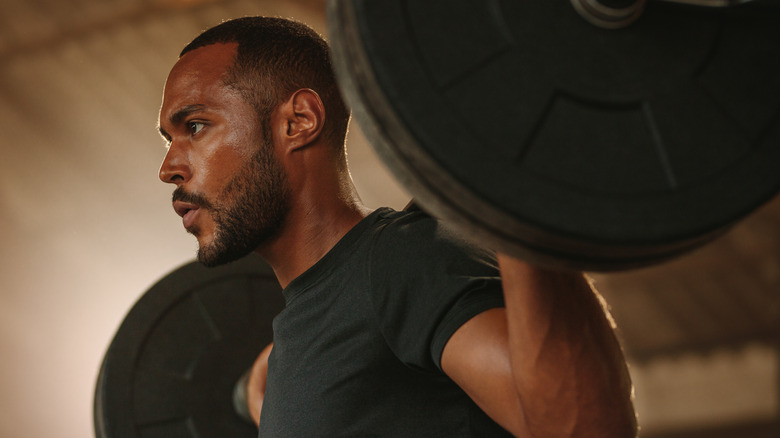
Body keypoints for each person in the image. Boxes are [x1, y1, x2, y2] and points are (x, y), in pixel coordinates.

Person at [157, 16, 637, 437]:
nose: (169, 167)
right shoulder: (299, 340)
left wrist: (512, 187)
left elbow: (584, 430)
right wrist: (260, 386)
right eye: (168, 140)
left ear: (299, 121)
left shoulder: (401, 263)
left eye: (195, 126)